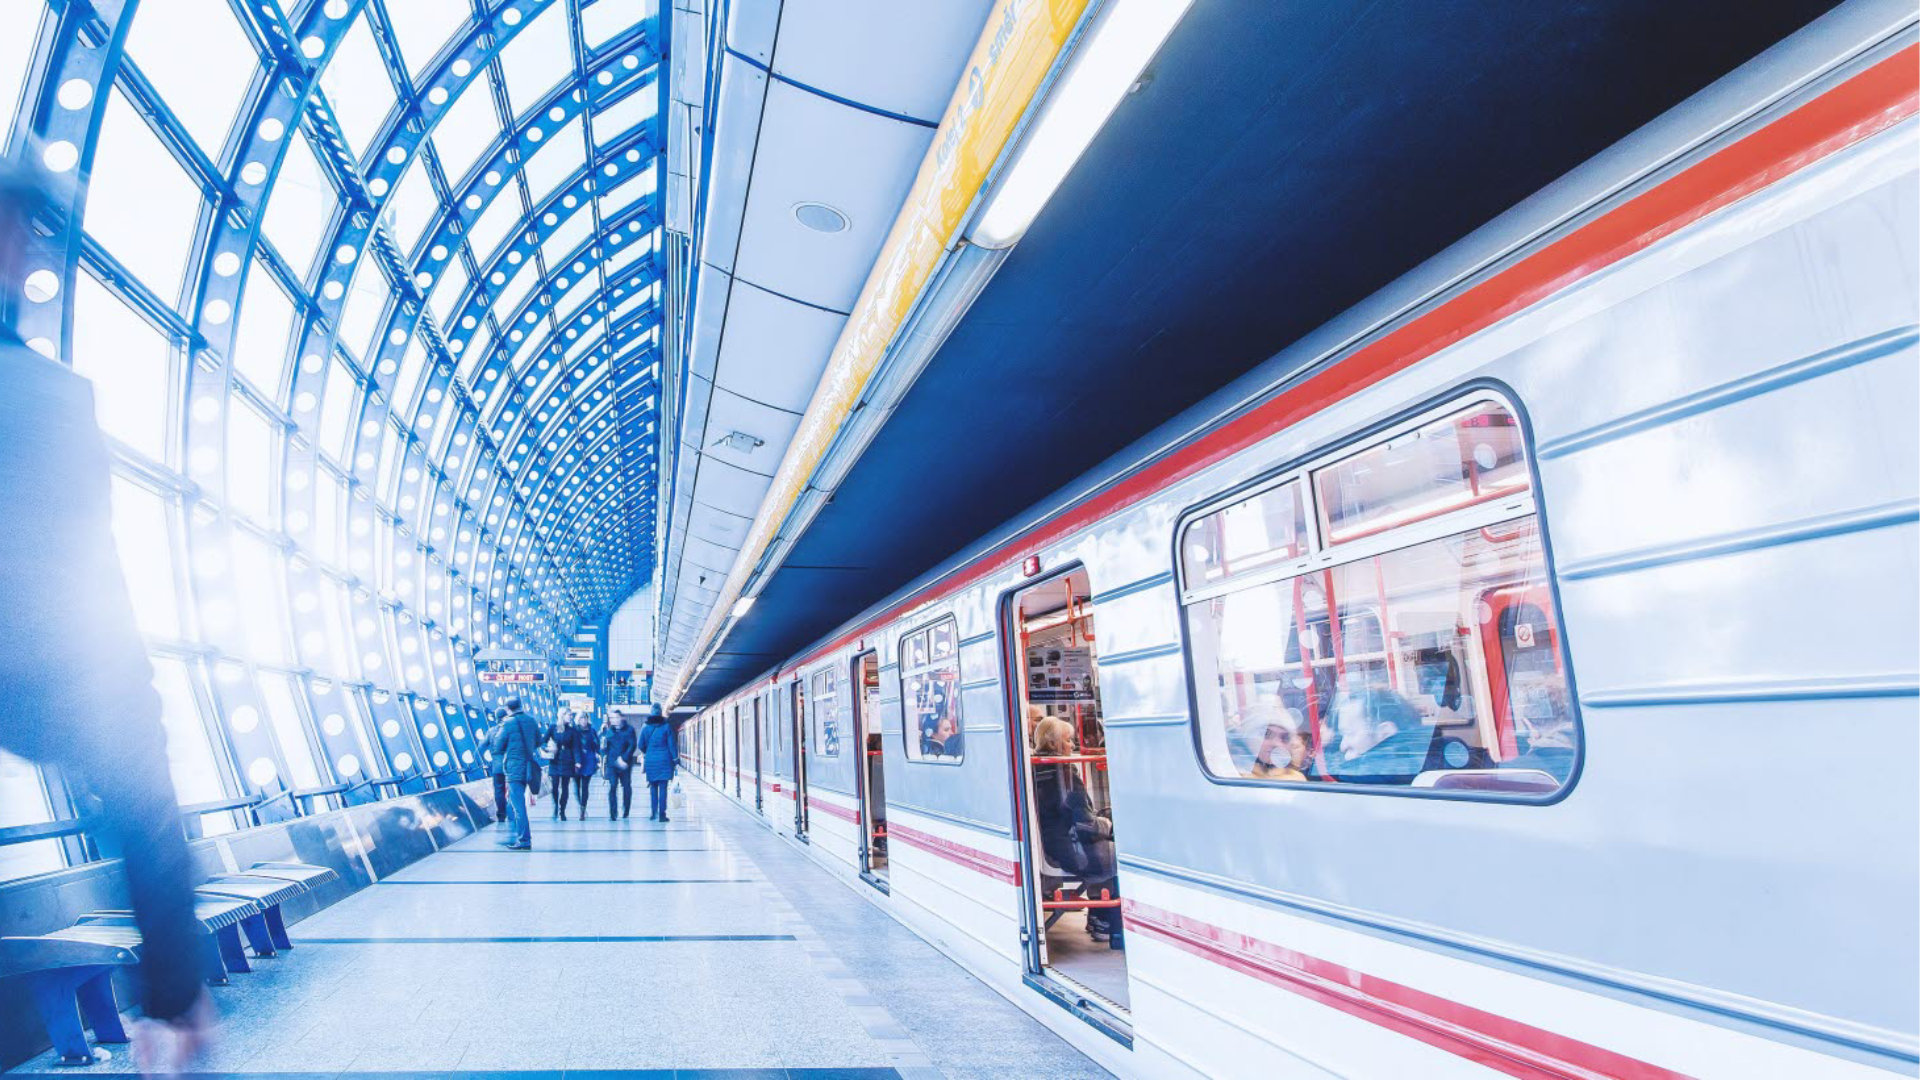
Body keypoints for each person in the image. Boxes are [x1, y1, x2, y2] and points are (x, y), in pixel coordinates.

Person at [0, 162, 214, 1070]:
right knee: (142, 777)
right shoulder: (47, 398)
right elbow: (92, 566)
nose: (29, 258)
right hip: (63, 667)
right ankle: (177, 1011)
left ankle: (176, 1005)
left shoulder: (47, 395)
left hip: (60, 665)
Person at [1030, 718, 1121, 945]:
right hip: (1073, 849)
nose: (1073, 745)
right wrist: (1106, 823)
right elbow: (1086, 826)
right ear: (1054, 745)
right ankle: (1106, 921)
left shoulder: (1038, 768)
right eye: (1068, 740)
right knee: (1120, 853)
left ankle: (1098, 917)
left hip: (1055, 843)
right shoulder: (1064, 773)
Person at [1322, 682, 1438, 784]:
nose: (1343, 746)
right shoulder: (1418, 773)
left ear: (1385, 732)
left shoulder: (1369, 783)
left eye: (1350, 733)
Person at [488, 696, 543, 849]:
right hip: (529, 767)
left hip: (514, 769)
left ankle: (524, 840)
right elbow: (539, 741)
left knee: (519, 807)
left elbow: (497, 746)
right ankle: (523, 838)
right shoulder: (532, 721)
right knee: (518, 805)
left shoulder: (507, 724)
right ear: (521, 705)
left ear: (507, 708)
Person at [637, 705, 678, 821]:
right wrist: (675, 759)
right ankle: (662, 814)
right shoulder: (666, 727)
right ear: (660, 713)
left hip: (650, 761)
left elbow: (640, 744)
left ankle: (653, 813)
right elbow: (672, 745)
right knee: (663, 787)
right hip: (665, 761)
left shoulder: (645, 727)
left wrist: (648, 752)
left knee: (653, 787)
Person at [1249, 717, 1315, 782]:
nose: (1276, 744)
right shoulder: (1240, 775)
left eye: (1285, 738)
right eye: (1267, 734)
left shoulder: (1297, 780)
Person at [600, 709, 638, 820]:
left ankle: (626, 809)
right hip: (612, 764)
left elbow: (632, 745)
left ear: (621, 718)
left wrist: (624, 759)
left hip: (625, 764)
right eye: (611, 718)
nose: (614, 720)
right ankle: (613, 812)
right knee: (612, 787)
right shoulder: (608, 731)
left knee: (626, 786)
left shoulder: (629, 730)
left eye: (616, 717)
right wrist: (603, 752)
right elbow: (604, 747)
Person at [545, 712, 580, 820]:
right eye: (569, 715)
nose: (571, 717)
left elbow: (576, 747)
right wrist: (547, 749)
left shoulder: (572, 730)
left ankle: (562, 810)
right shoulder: (552, 728)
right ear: (562, 715)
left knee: (565, 787)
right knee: (554, 786)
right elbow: (543, 741)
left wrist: (577, 761)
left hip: (567, 760)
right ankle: (555, 805)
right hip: (555, 760)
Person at [487, 706, 510, 828]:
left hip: (496, 766)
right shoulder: (509, 730)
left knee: (499, 790)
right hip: (509, 764)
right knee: (513, 789)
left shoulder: (491, 731)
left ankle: (501, 815)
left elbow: (484, 745)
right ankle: (512, 813)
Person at [572, 711, 599, 812]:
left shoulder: (592, 731)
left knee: (585, 786)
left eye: (585, 718)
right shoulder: (574, 731)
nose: (584, 720)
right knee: (577, 786)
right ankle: (580, 803)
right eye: (581, 718)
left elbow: (597, 745)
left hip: (588, 761)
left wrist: (597, 753)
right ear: (578, 720)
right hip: (576, 761)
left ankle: (583, 808)